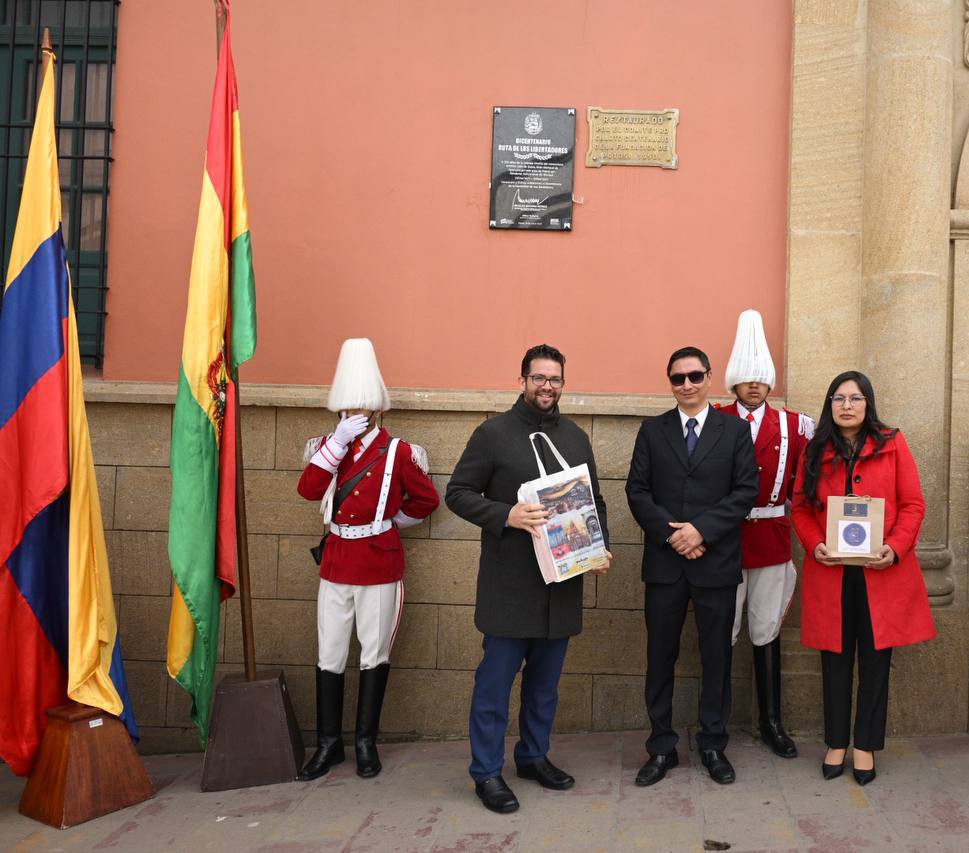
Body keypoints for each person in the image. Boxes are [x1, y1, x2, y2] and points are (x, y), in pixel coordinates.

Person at [445, 344, 611, 814]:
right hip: (510, 584)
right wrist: (507, 514)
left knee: (545, 685)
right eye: (539, 378)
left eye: (555, 379)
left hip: (562, 584)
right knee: (495, 684)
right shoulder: (493, 434)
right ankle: (486, 773)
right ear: (522, 380)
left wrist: (599, 548)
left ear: (563, 383)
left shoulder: (576, 437)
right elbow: (456, 493)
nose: (547, 386)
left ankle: (533, 757)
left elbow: (594, 501)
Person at [295, 338, 439, 781]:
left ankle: (364, 742)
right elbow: (307, 490)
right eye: (344, 412)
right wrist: (335, 445)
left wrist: (388, 521)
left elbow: (427, 499)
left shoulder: (398, 452)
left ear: (376, 411)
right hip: (337, 561)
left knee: (373, 654)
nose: (350, 418)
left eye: (357, 412)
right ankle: (328, 744)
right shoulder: (328, 447)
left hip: (378, 563)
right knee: (330, 653)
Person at [791, 370, 935, 785]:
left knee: (875, 662)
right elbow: (800, 507)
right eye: (839, 398)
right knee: (834, 660)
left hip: (881, 574)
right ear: (829, 404)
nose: (847, 406)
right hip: (832, 573)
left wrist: (896, 546)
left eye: (855, 398)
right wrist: (814, 542)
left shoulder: (892, 443)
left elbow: (913, 504)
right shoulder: (815, 449)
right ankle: (837, 741)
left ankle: (866, 745)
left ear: (868, 403)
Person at [626, 346, 758, 786]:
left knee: (717, 657)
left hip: (715, 562)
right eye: (678, 378)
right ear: (670, 382)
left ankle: (713, 744)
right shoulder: (652, 430)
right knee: (659, 657)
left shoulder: (735, 431)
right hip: (665, 565)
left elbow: (745, 492)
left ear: (709, 377)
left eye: (694, 376)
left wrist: (699, 531)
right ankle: (661, 747)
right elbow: (637, 491)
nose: (686, 385)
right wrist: (673, 535)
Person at [719, 309, 813, 758]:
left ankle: (770, 721)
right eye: (746, 377)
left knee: (766, 629)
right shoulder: (715, 419)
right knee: (721, 630)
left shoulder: (797, 426)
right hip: (724, 540)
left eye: (761, 377)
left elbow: (811, 483)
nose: (754, 384)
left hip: (772, 537)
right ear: (733, 381)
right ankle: (713, 723)